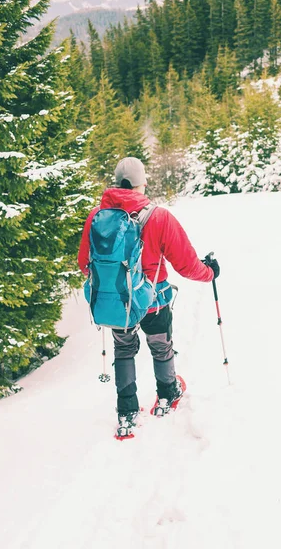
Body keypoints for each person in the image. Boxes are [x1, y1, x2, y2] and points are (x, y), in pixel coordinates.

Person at [78, 157, 219, 436]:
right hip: (153, 301)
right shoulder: (158, 216)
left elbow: (85, 263)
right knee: (161, 347)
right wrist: (210, 273)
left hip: (118, 304)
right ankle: (168, 392)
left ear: (117, 183)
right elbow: (186, 265)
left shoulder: (97, 217)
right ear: (143, 182)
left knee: (124, 350)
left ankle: (127, 411)